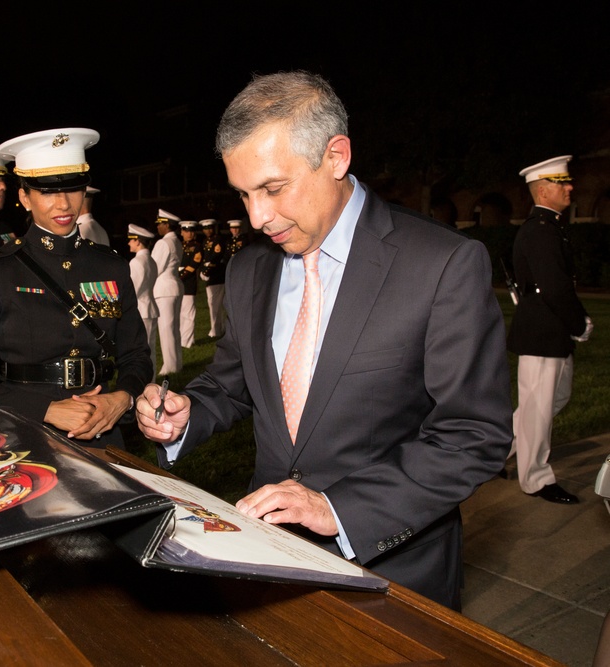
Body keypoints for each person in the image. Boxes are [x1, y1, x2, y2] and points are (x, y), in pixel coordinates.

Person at [137, 71, 511, 610]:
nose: (257, 217)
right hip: (272, 560)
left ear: (336, 157)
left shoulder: (441, 264)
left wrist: (338, 510)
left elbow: (474, 433)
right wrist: (187, 413)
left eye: (272, 188)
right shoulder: (249, 269)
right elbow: (235, 381)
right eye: (243, 194)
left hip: (396, 575)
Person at [0, 128, 152, 447]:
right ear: (25, 197)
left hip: (101, 435)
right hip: (22, 435)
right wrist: (47, 410)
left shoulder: (110, 266)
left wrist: (122, 398)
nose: (64, 204)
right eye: (47, 192)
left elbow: (136, 355)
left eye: (73, 188)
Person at [507, 156, 592, 504]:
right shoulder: (541, 229)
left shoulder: (549, 226)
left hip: (548, 333)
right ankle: (537, 479)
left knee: (549, 401)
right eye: (562, 183)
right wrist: (579, 323)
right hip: (544, 333)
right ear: (543, 189)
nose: (570, 187)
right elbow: (554, 287)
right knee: (538, 408)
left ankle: (495, 453)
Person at [151, 209, 183, 377]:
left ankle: (170, 366)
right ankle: (176, 363)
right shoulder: (176, 241)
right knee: (173, 328)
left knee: (166, 329)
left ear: (166, 224)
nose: (157, 226)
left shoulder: (163, 243)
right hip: (174, 286)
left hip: (164, 289)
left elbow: (154, 268)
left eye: (159, 224)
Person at [127, 223, 160, 373]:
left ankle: (145, 382)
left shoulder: (136, 262)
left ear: (138, 241)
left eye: (131, 240)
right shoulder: (151, 260)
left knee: (141, 351)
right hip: (151, 307)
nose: (128, 243)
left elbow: (133, 290)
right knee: (150, 348)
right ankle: (150, 380)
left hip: (141, 309)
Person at [198, 218, 227, 338]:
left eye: (209, 228)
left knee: (214, 304)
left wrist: (206, 272)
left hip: (216, 275)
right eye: (205, 229)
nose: (207, 231)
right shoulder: (205, 241)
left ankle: (216, 330)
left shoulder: (218, 240)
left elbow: (215, 257)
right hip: (210, 275)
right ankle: (218, 328)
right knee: (214, 304)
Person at [178, 220, 201, 348]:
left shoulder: (196, 246)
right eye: (186, 231)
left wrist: (179, 276)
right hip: (178, 283)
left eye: (191, 231)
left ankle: (187, 341)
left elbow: (194, 264)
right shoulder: (179, 245)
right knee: (180, 313)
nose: (189, 234)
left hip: (188, 282)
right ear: (181, 232)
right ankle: (182, 339)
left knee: (188, 314)